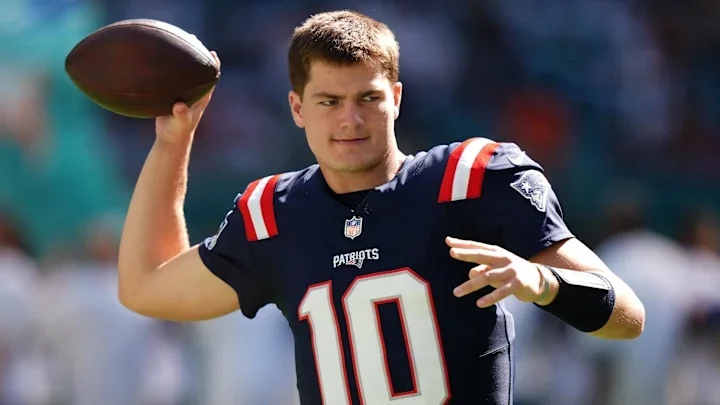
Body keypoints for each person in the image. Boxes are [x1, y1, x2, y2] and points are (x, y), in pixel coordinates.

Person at [117, 10, 646, 404]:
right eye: (329, 102)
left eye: (367, 98)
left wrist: (543, 281)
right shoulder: (276, 214)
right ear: (297, 108)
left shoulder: (471, 180)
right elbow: (146, 287)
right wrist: (173, 141)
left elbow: (627, 317)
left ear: (395, 97)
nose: (350, 120)